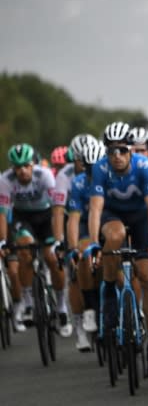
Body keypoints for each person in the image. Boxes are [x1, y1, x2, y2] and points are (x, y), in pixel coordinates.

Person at [87, 122, 148, 377]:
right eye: (111, 151)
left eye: (121, 150)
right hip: (113, 216)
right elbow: (96, 207)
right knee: (115, 235)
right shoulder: (101, 168)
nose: (116, 156)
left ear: (130, 150)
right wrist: (94, 243)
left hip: (141, 218)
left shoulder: (144, 166)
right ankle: (109, 288)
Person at [0, 143, 71, 337]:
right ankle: (29, 303)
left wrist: (59, 239)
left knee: (52, 258)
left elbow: (57, 207)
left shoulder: (45, 175)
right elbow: (3, 213)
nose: (22, 171)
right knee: (24, 250)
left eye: (26, 166)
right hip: (23, 218)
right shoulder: (5, 180)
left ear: (33, 164)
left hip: (46, 217)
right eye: (17, 167)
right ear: (12, 168)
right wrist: (3, 241)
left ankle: (62, 307)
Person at [65, 136, 104, 350]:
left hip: (109, 221)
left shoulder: (114, 177)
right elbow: (73, 218)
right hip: (85, 225)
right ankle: (89, 308)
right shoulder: (78, 182)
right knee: (83, 254)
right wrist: (72, 248)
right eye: (89, 169)